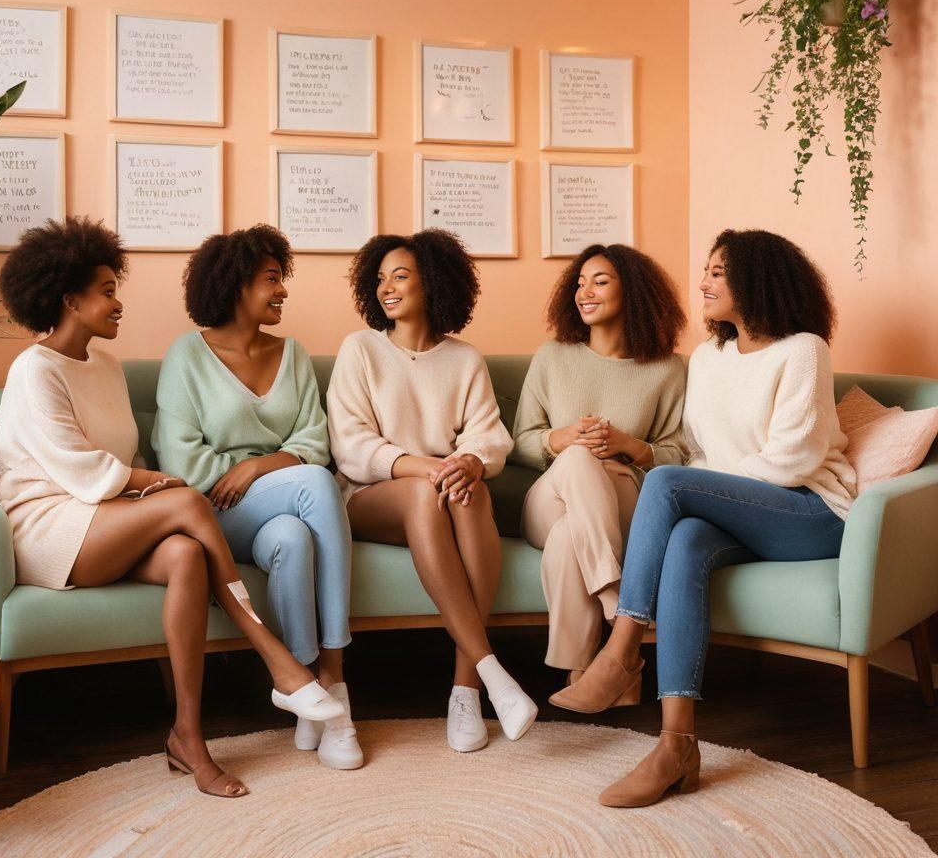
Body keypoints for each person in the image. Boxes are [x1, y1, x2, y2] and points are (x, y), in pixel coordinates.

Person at [0, 217, 344, 799]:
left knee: (185, 556)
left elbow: (119, 456)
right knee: (184, 502)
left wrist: (147, 486)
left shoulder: (103, 366)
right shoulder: (34, 370)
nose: (118, 301)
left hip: (109, 518)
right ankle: (275, 655)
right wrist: (155, 482)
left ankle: (187, 737)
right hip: (53, 528)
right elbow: (78, 468)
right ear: (67, 299)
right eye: (106, 291)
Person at [550, 229, 857, 808]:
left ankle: (620, 650)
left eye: (718, 272)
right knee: (687, 538)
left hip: (810, 511)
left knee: (667, 482)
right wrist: (708, 489)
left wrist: (709, 487)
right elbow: (696, 452)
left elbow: (793, 461)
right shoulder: (711, 359)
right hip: (742, 507)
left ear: (757, 279)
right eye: (706, 270)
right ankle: (676, 745)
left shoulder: (803, 350)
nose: (703, 282)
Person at [153, 226, 361, 770]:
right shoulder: (186, 356)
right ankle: (336, 683)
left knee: (292, 538)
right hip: (214, 514)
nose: (282, 291)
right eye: (272, 279)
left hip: (280, 508)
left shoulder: (292, 354)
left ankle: (306, 701)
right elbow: (184, 465)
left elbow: (314, 440)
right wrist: (254, 474)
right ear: (237, 284)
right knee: (316, 483)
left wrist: (258, 466)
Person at [327, 230, 537, 753]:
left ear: (434, 283)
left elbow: (489, 436)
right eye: (380, 279)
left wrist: (469, 460)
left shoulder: (464, 360)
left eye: (401, 276)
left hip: (443, 494)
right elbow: (351, 447)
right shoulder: (361, 349)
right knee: (432, 491)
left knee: (473, 493)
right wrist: (433, 467)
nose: (387, 288)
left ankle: (464, 689)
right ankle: (492, 671)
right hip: (369, 496)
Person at [513, 244, 687, 683]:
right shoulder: (552, 357)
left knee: (570, 537)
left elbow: (679, 453)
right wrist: (562, 438)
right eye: (579, 282)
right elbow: (518, 443)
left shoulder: (667, 369)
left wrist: (629, 444)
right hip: (550, 497)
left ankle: (585, 672)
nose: (584, 292)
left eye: (600, 281)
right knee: (575, 459)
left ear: (634, 292)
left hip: (623, 503)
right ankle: (615, 602)